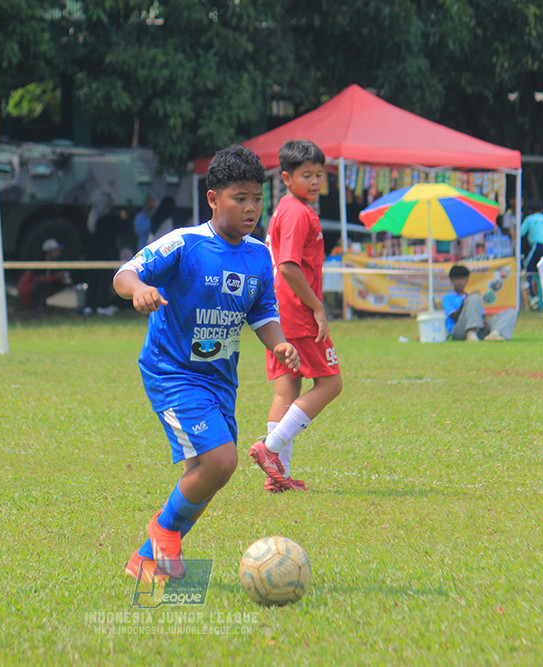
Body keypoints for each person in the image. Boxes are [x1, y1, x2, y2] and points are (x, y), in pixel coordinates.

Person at [113, 145, 299, 582]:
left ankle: (144, 559)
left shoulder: (258, 254)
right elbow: (125, 273)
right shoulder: (186, 243)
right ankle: (162, 534)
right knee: (220, 462)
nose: (251, 208)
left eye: (257, 198)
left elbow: (262, 312)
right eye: (240, 198)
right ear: (213, 199)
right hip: (172, 371)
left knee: (208, 471)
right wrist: (138, 289)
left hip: (219, 379)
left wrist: (280, 344)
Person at [250, 140, 342, 493]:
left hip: (278, 310)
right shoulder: (298, 213)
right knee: (331, 383)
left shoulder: (286, 209)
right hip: (296, 311)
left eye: (320, 175)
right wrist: (317, 306)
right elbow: (288, 265)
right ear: (286, 178)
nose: (315, 182)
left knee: (286, 388)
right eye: (307, 175)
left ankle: (279, 475)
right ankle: (270, 449)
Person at [442, 264, 517, 341]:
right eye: (457, 279)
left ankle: (496, 333)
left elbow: (481, 315)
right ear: (452, 280)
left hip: (479, 330)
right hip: (460, 331)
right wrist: (465, 303)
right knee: (474, 297)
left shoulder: (471, 297)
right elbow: (454, 317)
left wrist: (484, 320)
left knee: (511, 311)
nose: (460, 282)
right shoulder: (448, 297)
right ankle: (471, 331)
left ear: (467, 279)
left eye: (462, 279)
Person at [518, 198, 543, 304]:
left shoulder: (529, 219)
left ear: (529, 210)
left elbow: (520, 233)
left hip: (537, 247)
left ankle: (534, 297)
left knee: (529, 270)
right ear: (542, 210)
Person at [18, 238, 70, 310]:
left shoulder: (52, 263)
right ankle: (37, 303)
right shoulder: (38, 264)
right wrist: (55, 277)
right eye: (56, 250)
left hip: (36, 287)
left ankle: (42, 302)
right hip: (28, 292)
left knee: (60, 284)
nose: (58, 252)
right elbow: (37, 280)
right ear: (49, 251)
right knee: (42, 285)